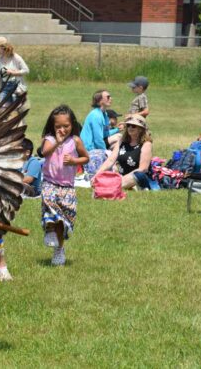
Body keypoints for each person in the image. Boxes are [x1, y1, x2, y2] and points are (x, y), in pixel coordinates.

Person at [40, 105, 89, 266]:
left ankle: (59, 249)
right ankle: (49, 231)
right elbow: (44, 152)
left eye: (66, 126)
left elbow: (86, 158)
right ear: (52, 127)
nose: (62, 129)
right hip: (50, 182)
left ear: (72, 124)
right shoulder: (50, 139)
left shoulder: (75, 141)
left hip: (67, 187)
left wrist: (75, 161)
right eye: (58, 126)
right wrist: (57, 142)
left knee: (62, 221)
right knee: (50, 204)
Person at [95, 114, 153, 189]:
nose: (130, 128)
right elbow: (111, 160)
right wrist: (97, 175)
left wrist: (123, 179)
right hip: (122, 177)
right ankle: (111, 185)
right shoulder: (122, 141)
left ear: (140, 129)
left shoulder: (146, 144)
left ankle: (109, 187)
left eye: (133, 126)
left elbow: (143, 169)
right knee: (109, 172)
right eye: (128, 125)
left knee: (137, 175)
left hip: (138, 178)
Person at [80, 89, 113, 178]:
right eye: (108, 97)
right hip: (89, 148)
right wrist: (106, 152)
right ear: (100, 101)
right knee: (117, 140)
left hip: (96, 145)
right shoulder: (96, 115)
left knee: (118, 137)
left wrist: (117, 129)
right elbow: (98, 139)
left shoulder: (104, 114)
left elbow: (106, 134)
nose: (111, 99)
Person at [0, 37, 29, 107]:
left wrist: (13, 73)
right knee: (2, 109)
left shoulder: (16, 57)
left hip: (16, 87)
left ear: (2, 47)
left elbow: (26, 70)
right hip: (4, 87)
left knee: (16, 110)